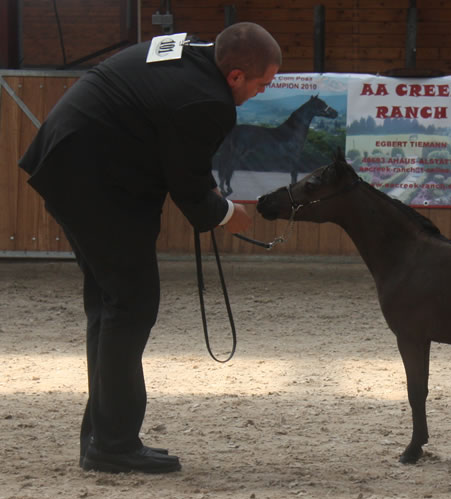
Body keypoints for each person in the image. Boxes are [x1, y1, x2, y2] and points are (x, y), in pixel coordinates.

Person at [18, 22, 281, 473]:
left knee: (110, 304)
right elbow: (190, 188)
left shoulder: (188, 50)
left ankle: (104, 436)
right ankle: (113, 445)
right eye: (261, 83)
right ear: (235, 75)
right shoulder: (210, 102)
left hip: (68, 159)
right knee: (131, 305)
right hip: (96, 180)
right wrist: (227, 215)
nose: (261, 92)